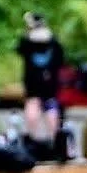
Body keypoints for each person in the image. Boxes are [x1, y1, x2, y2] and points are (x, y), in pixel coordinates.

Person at [16, 11, 65, 141]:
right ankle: (54, 138)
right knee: (51, 106)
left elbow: (19, 51)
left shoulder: (27, 39)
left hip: (31, 79)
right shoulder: (53, 39)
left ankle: (32, 138)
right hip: (50, 79)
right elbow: (61, 59)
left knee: (32, 103)